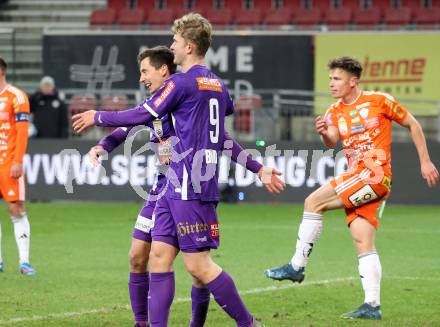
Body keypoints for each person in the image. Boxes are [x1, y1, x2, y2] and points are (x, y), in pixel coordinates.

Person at [73, 12, 285, 327]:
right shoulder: (217, 85)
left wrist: (98, 116)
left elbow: (145, 114)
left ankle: (249, 324)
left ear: (187, 45)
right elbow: (220, 133)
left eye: (175, 41)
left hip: (190, 182)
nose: (172, 46)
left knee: (199, 267)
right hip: (178, 184)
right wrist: (256, 167)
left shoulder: (181, 83)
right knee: (158, 257)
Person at [265, 56, 439, 320]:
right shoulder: (334, 111)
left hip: (373, 174)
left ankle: (296, 266)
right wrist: (323, 131)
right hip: (362, 177)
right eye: (331, 79)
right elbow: (331, 142)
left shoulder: (379, 100)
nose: (332, 84)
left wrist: (425, 161)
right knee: (362, 239)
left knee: (313, 202)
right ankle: (372, 305)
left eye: (337, 79)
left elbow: (412, 124)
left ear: (352, 81)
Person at [0, 57, 36, 275]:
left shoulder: (17, 96)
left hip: (8, 163)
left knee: (16, 208)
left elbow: (22, 131)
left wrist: (18, 160)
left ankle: (24, 261)